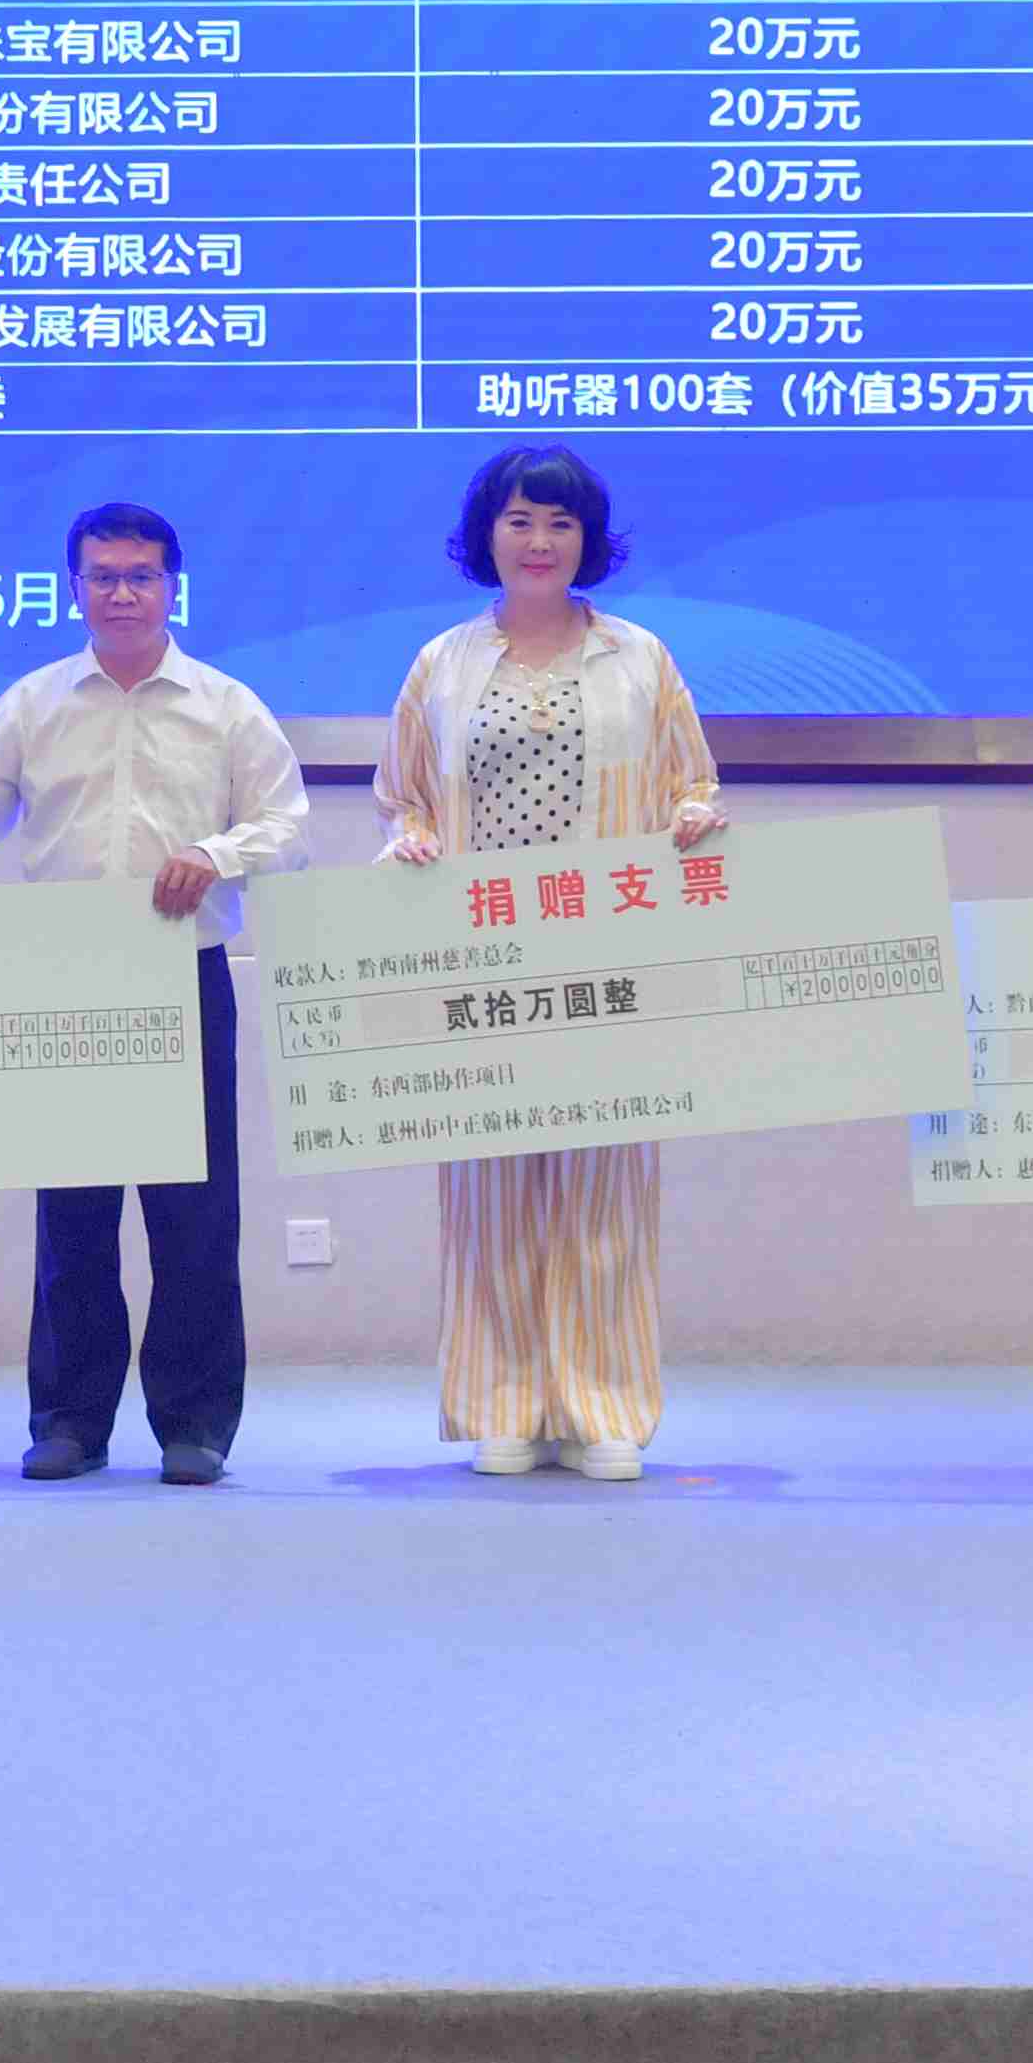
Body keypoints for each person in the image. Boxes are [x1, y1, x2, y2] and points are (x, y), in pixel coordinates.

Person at [0, 501, 310, 1486]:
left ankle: (194, 1426)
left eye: (140, 576)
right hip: (64, 982)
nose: (121, 593)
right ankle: (70, 1420)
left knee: (195, 1219)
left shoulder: (226, 706)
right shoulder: (34, 703)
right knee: (71, 1217)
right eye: (102, 576)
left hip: (183, 974)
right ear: (73, 588)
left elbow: (288, 827)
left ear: (171, 587)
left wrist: (216, 852)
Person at [372, 444, 724, 1483]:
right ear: (486, 533)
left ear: (588, 540)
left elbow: (691, 782)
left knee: (604, 1188)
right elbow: (402, 796)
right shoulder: (441, 664)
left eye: (561, 523)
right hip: (481, 957)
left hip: (606, 953)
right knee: (489, 1193)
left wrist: (693, 818)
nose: (539, 541)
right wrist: (410, 841)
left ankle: (603, 1406)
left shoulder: (640, 657)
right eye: (520, 520)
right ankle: (504, 1402)